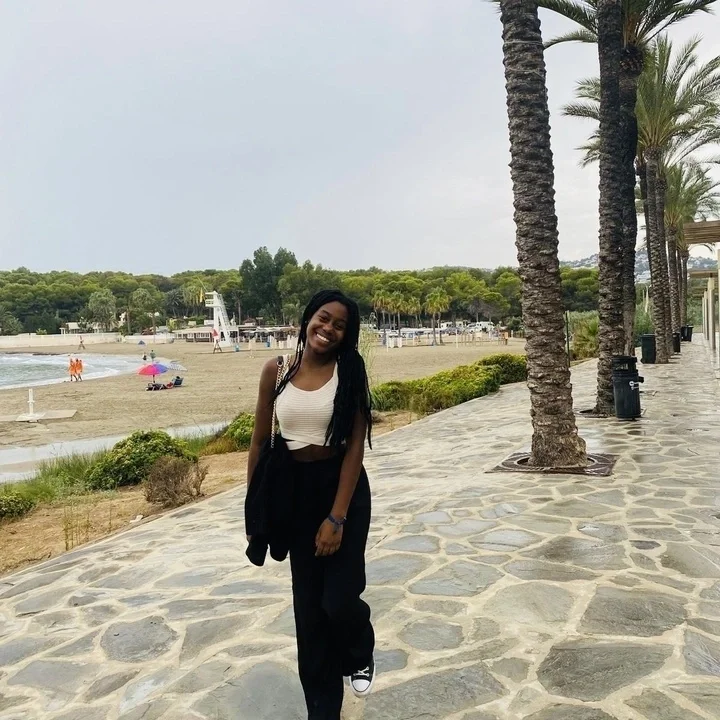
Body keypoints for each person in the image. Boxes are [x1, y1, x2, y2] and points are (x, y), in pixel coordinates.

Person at [247, 290, 375, 719]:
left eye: (339, 325)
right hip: (294, 492)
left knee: (338, 599)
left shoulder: (350, 370)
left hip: (342, 488)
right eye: (323, 318)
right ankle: (322, 710)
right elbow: (259, 442)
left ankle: (359, 649)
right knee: (309, 610)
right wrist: (255, 508)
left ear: (346, 334)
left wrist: (337, 517)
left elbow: (355, 445)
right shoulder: (277, 370)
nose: (328, 328)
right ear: (307, 319)